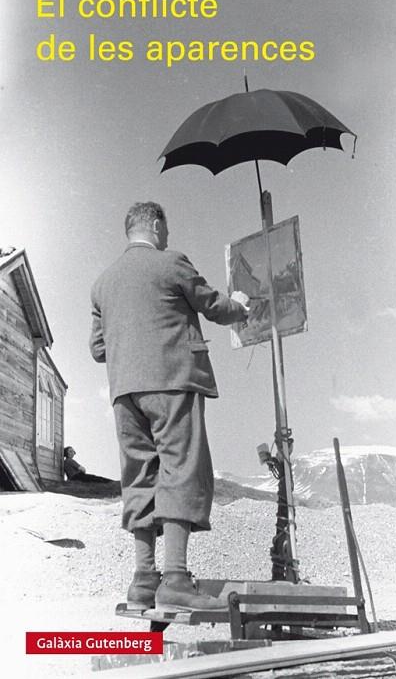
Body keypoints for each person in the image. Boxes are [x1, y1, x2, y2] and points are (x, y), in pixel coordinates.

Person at [89, 201, 249, 610]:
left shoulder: (102, 283)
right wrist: (240, 305)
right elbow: (214, 307)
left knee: (139, 476)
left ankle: (144, 580)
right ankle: (176, 579)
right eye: (166, 228)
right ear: (157, 225)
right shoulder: (172, 262)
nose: (168, 235)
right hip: (173, 382)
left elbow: (97, 349)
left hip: (125, 393)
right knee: (181, 469)